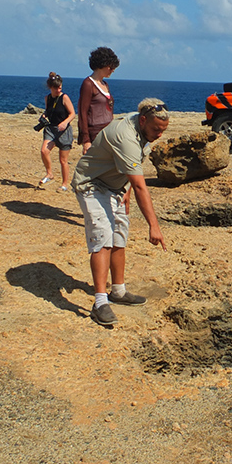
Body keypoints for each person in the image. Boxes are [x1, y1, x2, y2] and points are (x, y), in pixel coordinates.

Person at [71, 98, 170, 327]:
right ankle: (100, 302)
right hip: (92, 185)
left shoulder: (143, 130)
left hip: (115, 187)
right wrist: (153, 225)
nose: (159, 135)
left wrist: (123, 189)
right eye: (156, 129)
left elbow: (128, 168)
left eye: (163, 130)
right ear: (143, 120)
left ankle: (118, 291)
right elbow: (140, 186)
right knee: (103, 239)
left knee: (119, 237)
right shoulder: (125, 136)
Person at [37, 72, 77, 192]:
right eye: (56, 88)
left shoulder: (64, 97)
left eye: (60, 87)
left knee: (63, 160)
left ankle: (64, 184)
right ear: (51, 87)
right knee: (44, 151)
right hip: (51, 129)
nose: (59, 89)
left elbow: (72, 114)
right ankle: (49, 173)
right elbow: (48, 111)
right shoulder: (47, 98)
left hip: (64, 131)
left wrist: (65, 122)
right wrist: (44, 116)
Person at [78, 46, 120, 154]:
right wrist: (86, 140)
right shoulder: (88, 84)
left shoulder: (105, 84)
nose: (113, 70)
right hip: (95, 133)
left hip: (108, 132)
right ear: (102, 65)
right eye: (111, 67)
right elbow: (83, 112)